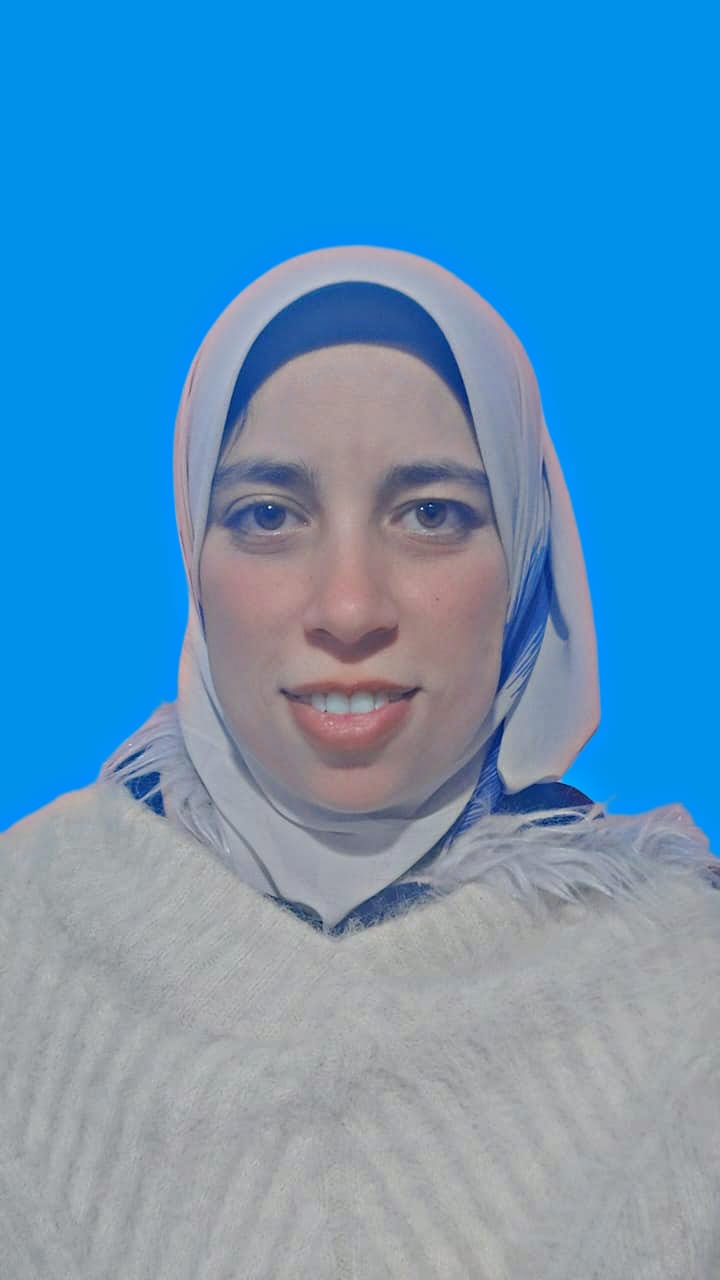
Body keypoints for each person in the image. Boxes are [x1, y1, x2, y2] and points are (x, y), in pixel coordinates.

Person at [0, 246, 717, 1279]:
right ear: (193, 550)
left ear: (524, 555)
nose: (348, 608)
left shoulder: (689, 988)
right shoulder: (24, 934)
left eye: (431, 514)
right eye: (267, 515)